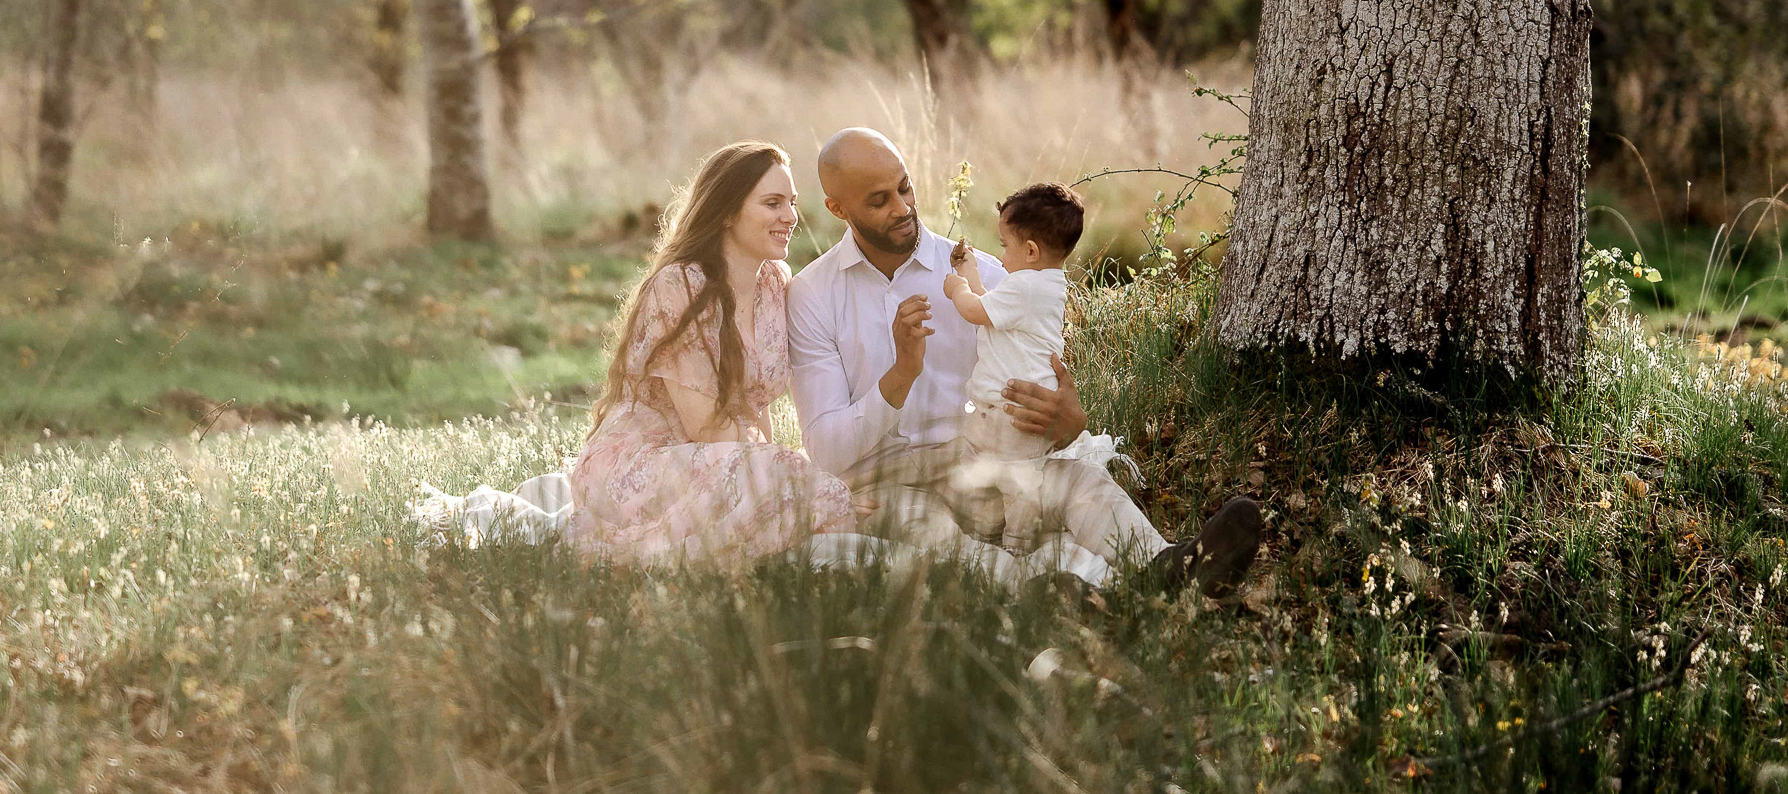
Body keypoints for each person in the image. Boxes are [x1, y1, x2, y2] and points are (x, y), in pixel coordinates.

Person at [786, 127, 1261, 594]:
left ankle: (1171, 567)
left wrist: (1069, 420)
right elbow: (828, 451)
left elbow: (1045, 382)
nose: (903, 207)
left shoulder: (992, 276)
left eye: (905, 186)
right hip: (888, 487)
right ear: (837, 208)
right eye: (878, 200)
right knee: (938, 539)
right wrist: (902, 373)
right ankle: (1064, 593)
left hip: (981, 461)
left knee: (1080, 484)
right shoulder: (813, 296)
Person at [415, 142, 858, 562]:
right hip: (645, 462)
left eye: (792, 202)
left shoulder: (775, 282)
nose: (790, 216)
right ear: (727, 211)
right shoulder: (681, 286)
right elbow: (704, 427)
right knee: (807, 491)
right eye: (773, 203)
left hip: (719, 461)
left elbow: (754, 402)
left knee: (811, 492)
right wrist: (783, 468)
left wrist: (785, 465)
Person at [941, 181, 1085, 553]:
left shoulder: (1026, 286)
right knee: (1013, 481)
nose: (1002, 257)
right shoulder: (1043, 285)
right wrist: (971, 271)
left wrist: (957, 288)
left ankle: (1010, 546)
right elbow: (993, 313)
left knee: (1008, 483)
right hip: (1010, 413)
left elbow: (975, 310)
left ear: (1032, 250)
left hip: (1009, 416)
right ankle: (1010, 541)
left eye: (1005, 246)